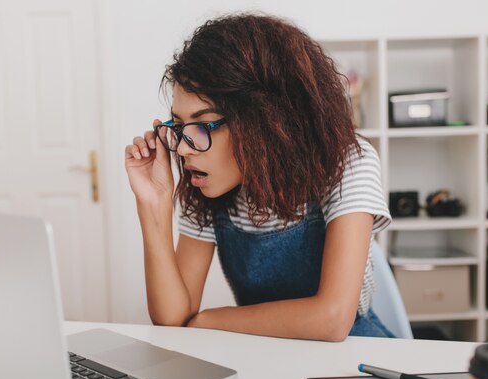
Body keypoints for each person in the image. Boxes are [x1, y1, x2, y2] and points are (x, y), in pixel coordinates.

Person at [124, 13, 393, 342]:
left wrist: (206, 320)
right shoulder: (208, 184)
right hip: (264, 352)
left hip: (357, 353)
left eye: (202, 124)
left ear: (264, 121)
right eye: (178, 126)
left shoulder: (347, 162)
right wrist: (153, 206)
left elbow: (332, 319)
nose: (182, 149)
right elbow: (173, 317)